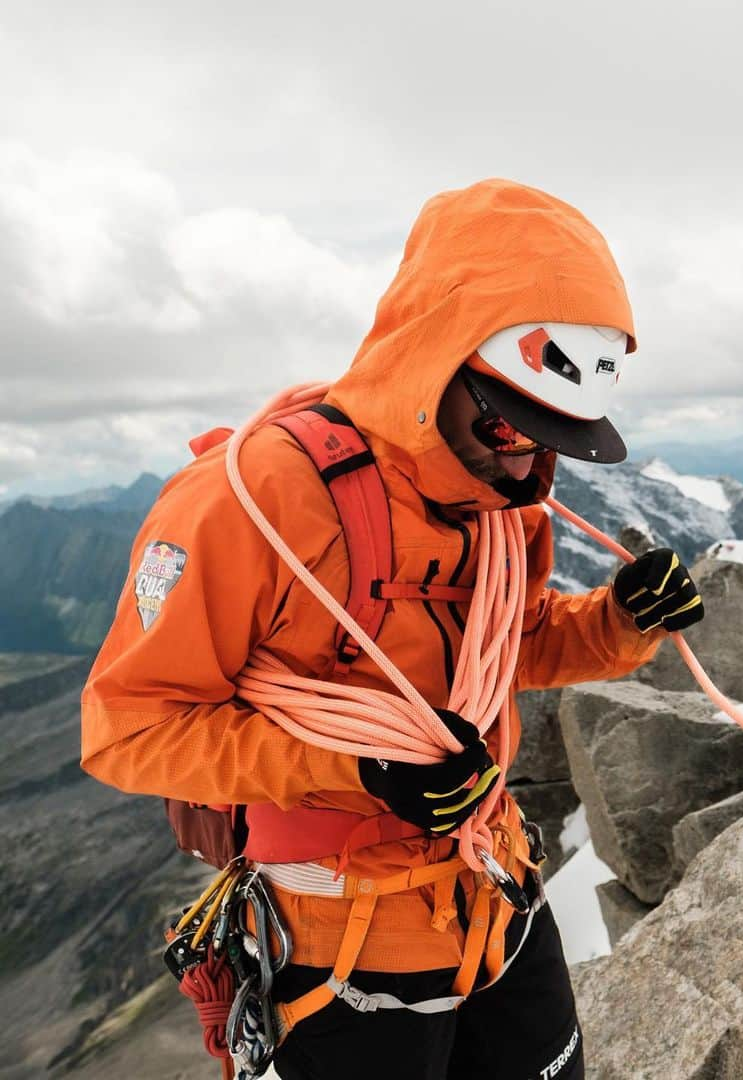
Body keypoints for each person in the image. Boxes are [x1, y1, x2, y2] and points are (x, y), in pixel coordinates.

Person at [81, 179, 704, 1080]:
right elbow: (128, 732)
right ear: (434, 362)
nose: (529, 462)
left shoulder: (502, 500)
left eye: (552, 438)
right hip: (338, 947)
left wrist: (616, 622)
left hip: (495, 895)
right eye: (510, 425)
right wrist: (359, 769)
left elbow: (506, 647)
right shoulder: (250, 501)